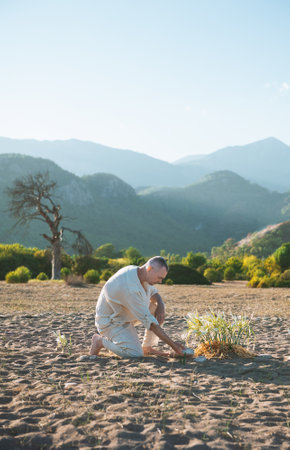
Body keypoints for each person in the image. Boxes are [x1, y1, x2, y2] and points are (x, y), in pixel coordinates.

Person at [90, 256, 185, 358]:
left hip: (124, 315)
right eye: (159, 277)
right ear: (149, 268)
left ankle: (147, 348)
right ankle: (100, 341)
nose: (160, 281)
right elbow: (151, 324)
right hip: (111, 322)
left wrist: (161, 304)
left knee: (155, 307)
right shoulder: (130, 288)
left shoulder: (140, 273)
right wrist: (175, 346)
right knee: (135, 354)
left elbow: (154, 294)